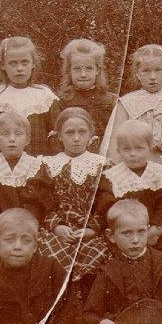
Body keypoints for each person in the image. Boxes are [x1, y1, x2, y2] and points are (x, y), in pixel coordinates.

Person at [37, 108, 110, 284]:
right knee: (49, 255)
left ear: (91, 134)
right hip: (58, 229)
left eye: (82, 132)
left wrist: (92, 229)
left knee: (97, 254)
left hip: (90, 230)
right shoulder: (48, 165)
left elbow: (106, 201)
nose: (76, 138)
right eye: (69, 133)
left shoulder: (101, 165)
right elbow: (42, 201)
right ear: (59, 136)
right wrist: (56, 226)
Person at [0, 111, 50, 262]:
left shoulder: (35, 166)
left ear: (27, 140)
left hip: (28, 226)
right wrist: (2, 227)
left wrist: (23, 227)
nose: (12, 139)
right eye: (5, 134)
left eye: (18, 134)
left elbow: (35, 204)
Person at [95, 120, 162, 251]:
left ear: (150, 148)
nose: (132, 154)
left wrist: (155, 229)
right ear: (118, 150)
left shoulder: (160, 174)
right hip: (125, 235)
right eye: (126, 149)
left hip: (155, 234)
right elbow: (107, 208)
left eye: (139, 148)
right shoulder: (111, 177)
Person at [0, 36, 58, 158]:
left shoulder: (45, 96)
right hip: (2, 166)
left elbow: (57, 136)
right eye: (13, 63)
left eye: (25, 62)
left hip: (39, 164)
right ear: (3, 65)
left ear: (33, 63)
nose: (19, 68)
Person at [101, 44, 162, 164]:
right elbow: (114, 141)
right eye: (146, 71)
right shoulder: (127, 102)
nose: (153, 77)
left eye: (158, 70)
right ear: (138, 74)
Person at [49, 38, 117, 152]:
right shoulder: (60, 102)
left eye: (89, 68)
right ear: (69, 71)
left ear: (97, 70)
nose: (83, 74)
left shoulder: (111, 101)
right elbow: (57, 140)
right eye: (77, 69)